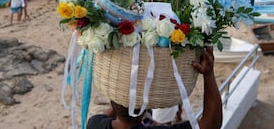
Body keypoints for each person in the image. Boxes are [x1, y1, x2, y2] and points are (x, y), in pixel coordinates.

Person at [86, 46, 222, 129]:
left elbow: (116, 109)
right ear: (146, 108)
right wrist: (208, 75)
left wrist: (122, 92)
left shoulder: (95, 124)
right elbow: (211, 124)